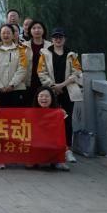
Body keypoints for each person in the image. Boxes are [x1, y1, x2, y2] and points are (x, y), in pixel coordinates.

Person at [38, 27, 83, 163]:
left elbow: (77, 72)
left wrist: (62, 85)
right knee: (50, 120)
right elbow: (41, 71)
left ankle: (67, 149)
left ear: (64, 39)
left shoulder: (71, 55)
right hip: (50, 92)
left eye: (60, 37)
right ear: (51, 39)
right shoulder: (45, 53)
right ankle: (51, 148)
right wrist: (53, 86)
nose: (58, 39)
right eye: (55, 37)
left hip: (68, 91)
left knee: (67, 120)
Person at [0, 24, 28, 108]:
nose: (6, 35)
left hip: (17, 89)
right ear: (0, 35)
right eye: (3, 33)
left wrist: (12, 85)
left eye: (8, 33)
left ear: (13, 35)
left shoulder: (21, 50)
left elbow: (22, 69)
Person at [33, 86, 71, 171]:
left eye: (47, 96)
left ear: (52, 98)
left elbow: (66, 130)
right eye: (41, 96)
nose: (44, 99)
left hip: (53, 142)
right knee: (29, 165)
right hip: (37, 142)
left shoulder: (59, 112)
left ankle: (59, 160)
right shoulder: (31, 112)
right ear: (37, 98)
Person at [23, 20, 52, 106]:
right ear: (30, 31)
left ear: (43, 30)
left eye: (39, 28)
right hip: (29, 81)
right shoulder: (24, 46)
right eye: (34, 28)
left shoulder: (50, 46)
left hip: (46, 81)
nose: (37, 30)